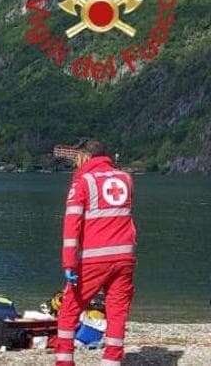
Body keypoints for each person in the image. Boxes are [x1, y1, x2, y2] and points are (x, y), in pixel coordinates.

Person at [55, 140, 136, 366]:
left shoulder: (83, 182)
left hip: (94, 257)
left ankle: (64, 362)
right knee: (117, 311)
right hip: (124, 256)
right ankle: (111, 361)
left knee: (69, 309)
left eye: (77, 158)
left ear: (85, 157)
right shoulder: (126, 179)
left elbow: (72, 226)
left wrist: (69, 264)